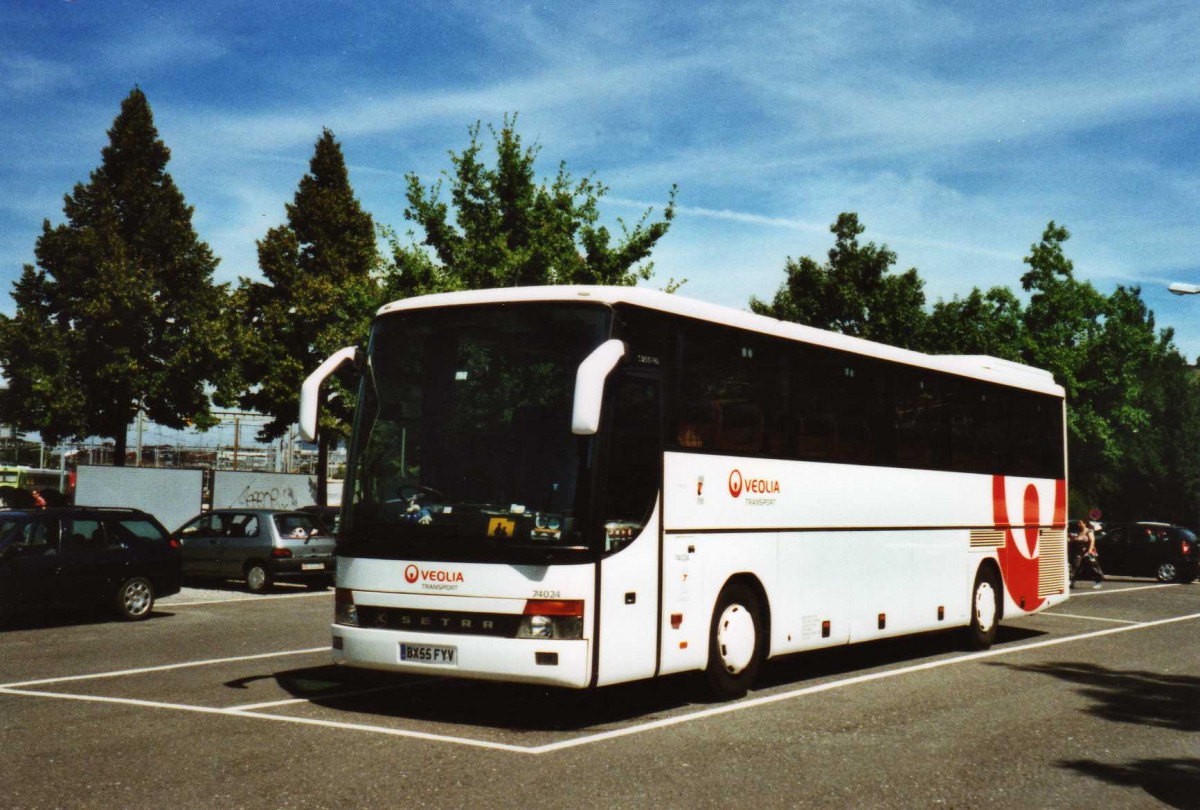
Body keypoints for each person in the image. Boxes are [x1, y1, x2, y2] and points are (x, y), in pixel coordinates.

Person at [1073, 518, 1104, 589]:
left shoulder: (1089, 531)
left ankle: (1098, 582)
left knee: (1093, 567)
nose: (1078, 524)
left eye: (1080, 523)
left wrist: (1090, 549)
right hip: (1080, 552)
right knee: (1076, 566)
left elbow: (1092, 541)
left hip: (1088, 552)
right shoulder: (1080, 532)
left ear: (1084, 523)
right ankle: (1072, 582)